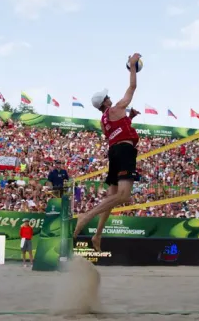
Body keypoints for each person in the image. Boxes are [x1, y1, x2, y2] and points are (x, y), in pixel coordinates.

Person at [72, 53, 142, 251]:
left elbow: (116, 134)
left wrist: (130, 119)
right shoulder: (116, 108)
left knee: (111, 200)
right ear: (105, 102)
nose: (111, 98)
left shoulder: (104, 121)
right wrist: (133, 66)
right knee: (124, 196)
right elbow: (132, 88)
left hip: (114, 152)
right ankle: (86, 216)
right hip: (125, 151)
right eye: (108, 97)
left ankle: (97, 235)